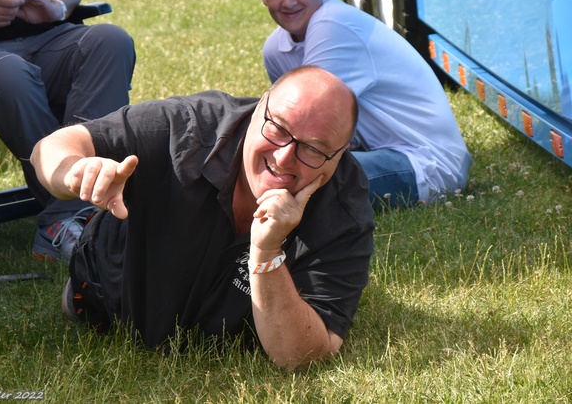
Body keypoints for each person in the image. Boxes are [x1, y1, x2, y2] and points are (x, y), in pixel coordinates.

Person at [30, 66, 374, 369]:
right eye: (278, 129)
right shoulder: (186, 129)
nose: (284, 158)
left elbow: (300, 356)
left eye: (313, 148)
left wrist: (267, 254)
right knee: (80, 305)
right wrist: (76, 172)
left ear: (339, 154)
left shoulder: (344, 207)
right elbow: (50, 148)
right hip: (108, 291)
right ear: (259, 108)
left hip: (231, 318)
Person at [0, 0, 136, 260]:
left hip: (45, 37)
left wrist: (56, 7)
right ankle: (76, 215)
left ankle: (79, 210)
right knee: (9, 74)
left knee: (111, 41)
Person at [259, 0, 472, 209]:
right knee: (277, 167)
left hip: (425, 163)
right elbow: (284, 132)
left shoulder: (334, 24)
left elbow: (304, 125)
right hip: (370, 150)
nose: (289, 2)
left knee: (286, 177)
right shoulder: (275, 49)